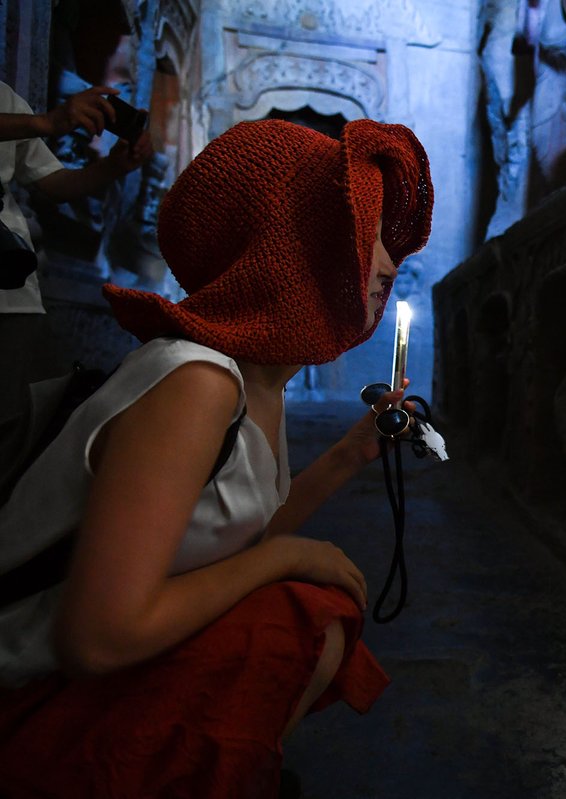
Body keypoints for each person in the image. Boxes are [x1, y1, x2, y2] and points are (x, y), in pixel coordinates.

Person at [0, 116, 434, 797]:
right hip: (23, 694)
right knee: (298, 614)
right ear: (294, 245)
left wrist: (353, 452)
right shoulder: (196, 383)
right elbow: (97, 637)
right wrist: (288, 558)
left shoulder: (257, 378)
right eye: (367, 234)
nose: (387, 263)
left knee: (301, 609)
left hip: (68, 675)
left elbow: (231, 532)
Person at [0, 80, 152, 421]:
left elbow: (54, 185)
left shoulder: (6, 96)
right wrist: (45, 123)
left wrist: (115, 166)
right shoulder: (27, 116)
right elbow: (44, 126)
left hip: (11, 287)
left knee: (10, 422)